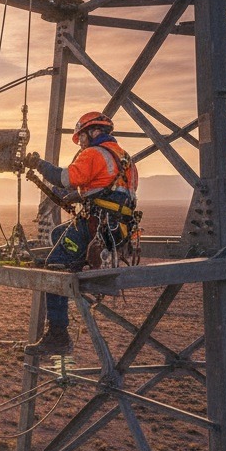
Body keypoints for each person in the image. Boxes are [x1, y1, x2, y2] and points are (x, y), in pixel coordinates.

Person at [24, 111, 139, 354]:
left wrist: (39, 164)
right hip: (117, 228)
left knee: (54, 267)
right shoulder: (123, 157)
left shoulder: (94, 153)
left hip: (97, 225)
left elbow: (65, 178)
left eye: (82, 138)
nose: (81, 144)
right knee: (58, 235)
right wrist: (79, 196)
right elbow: (110, 190)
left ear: (93, 132)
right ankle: (76, 262)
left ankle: (58, 335)